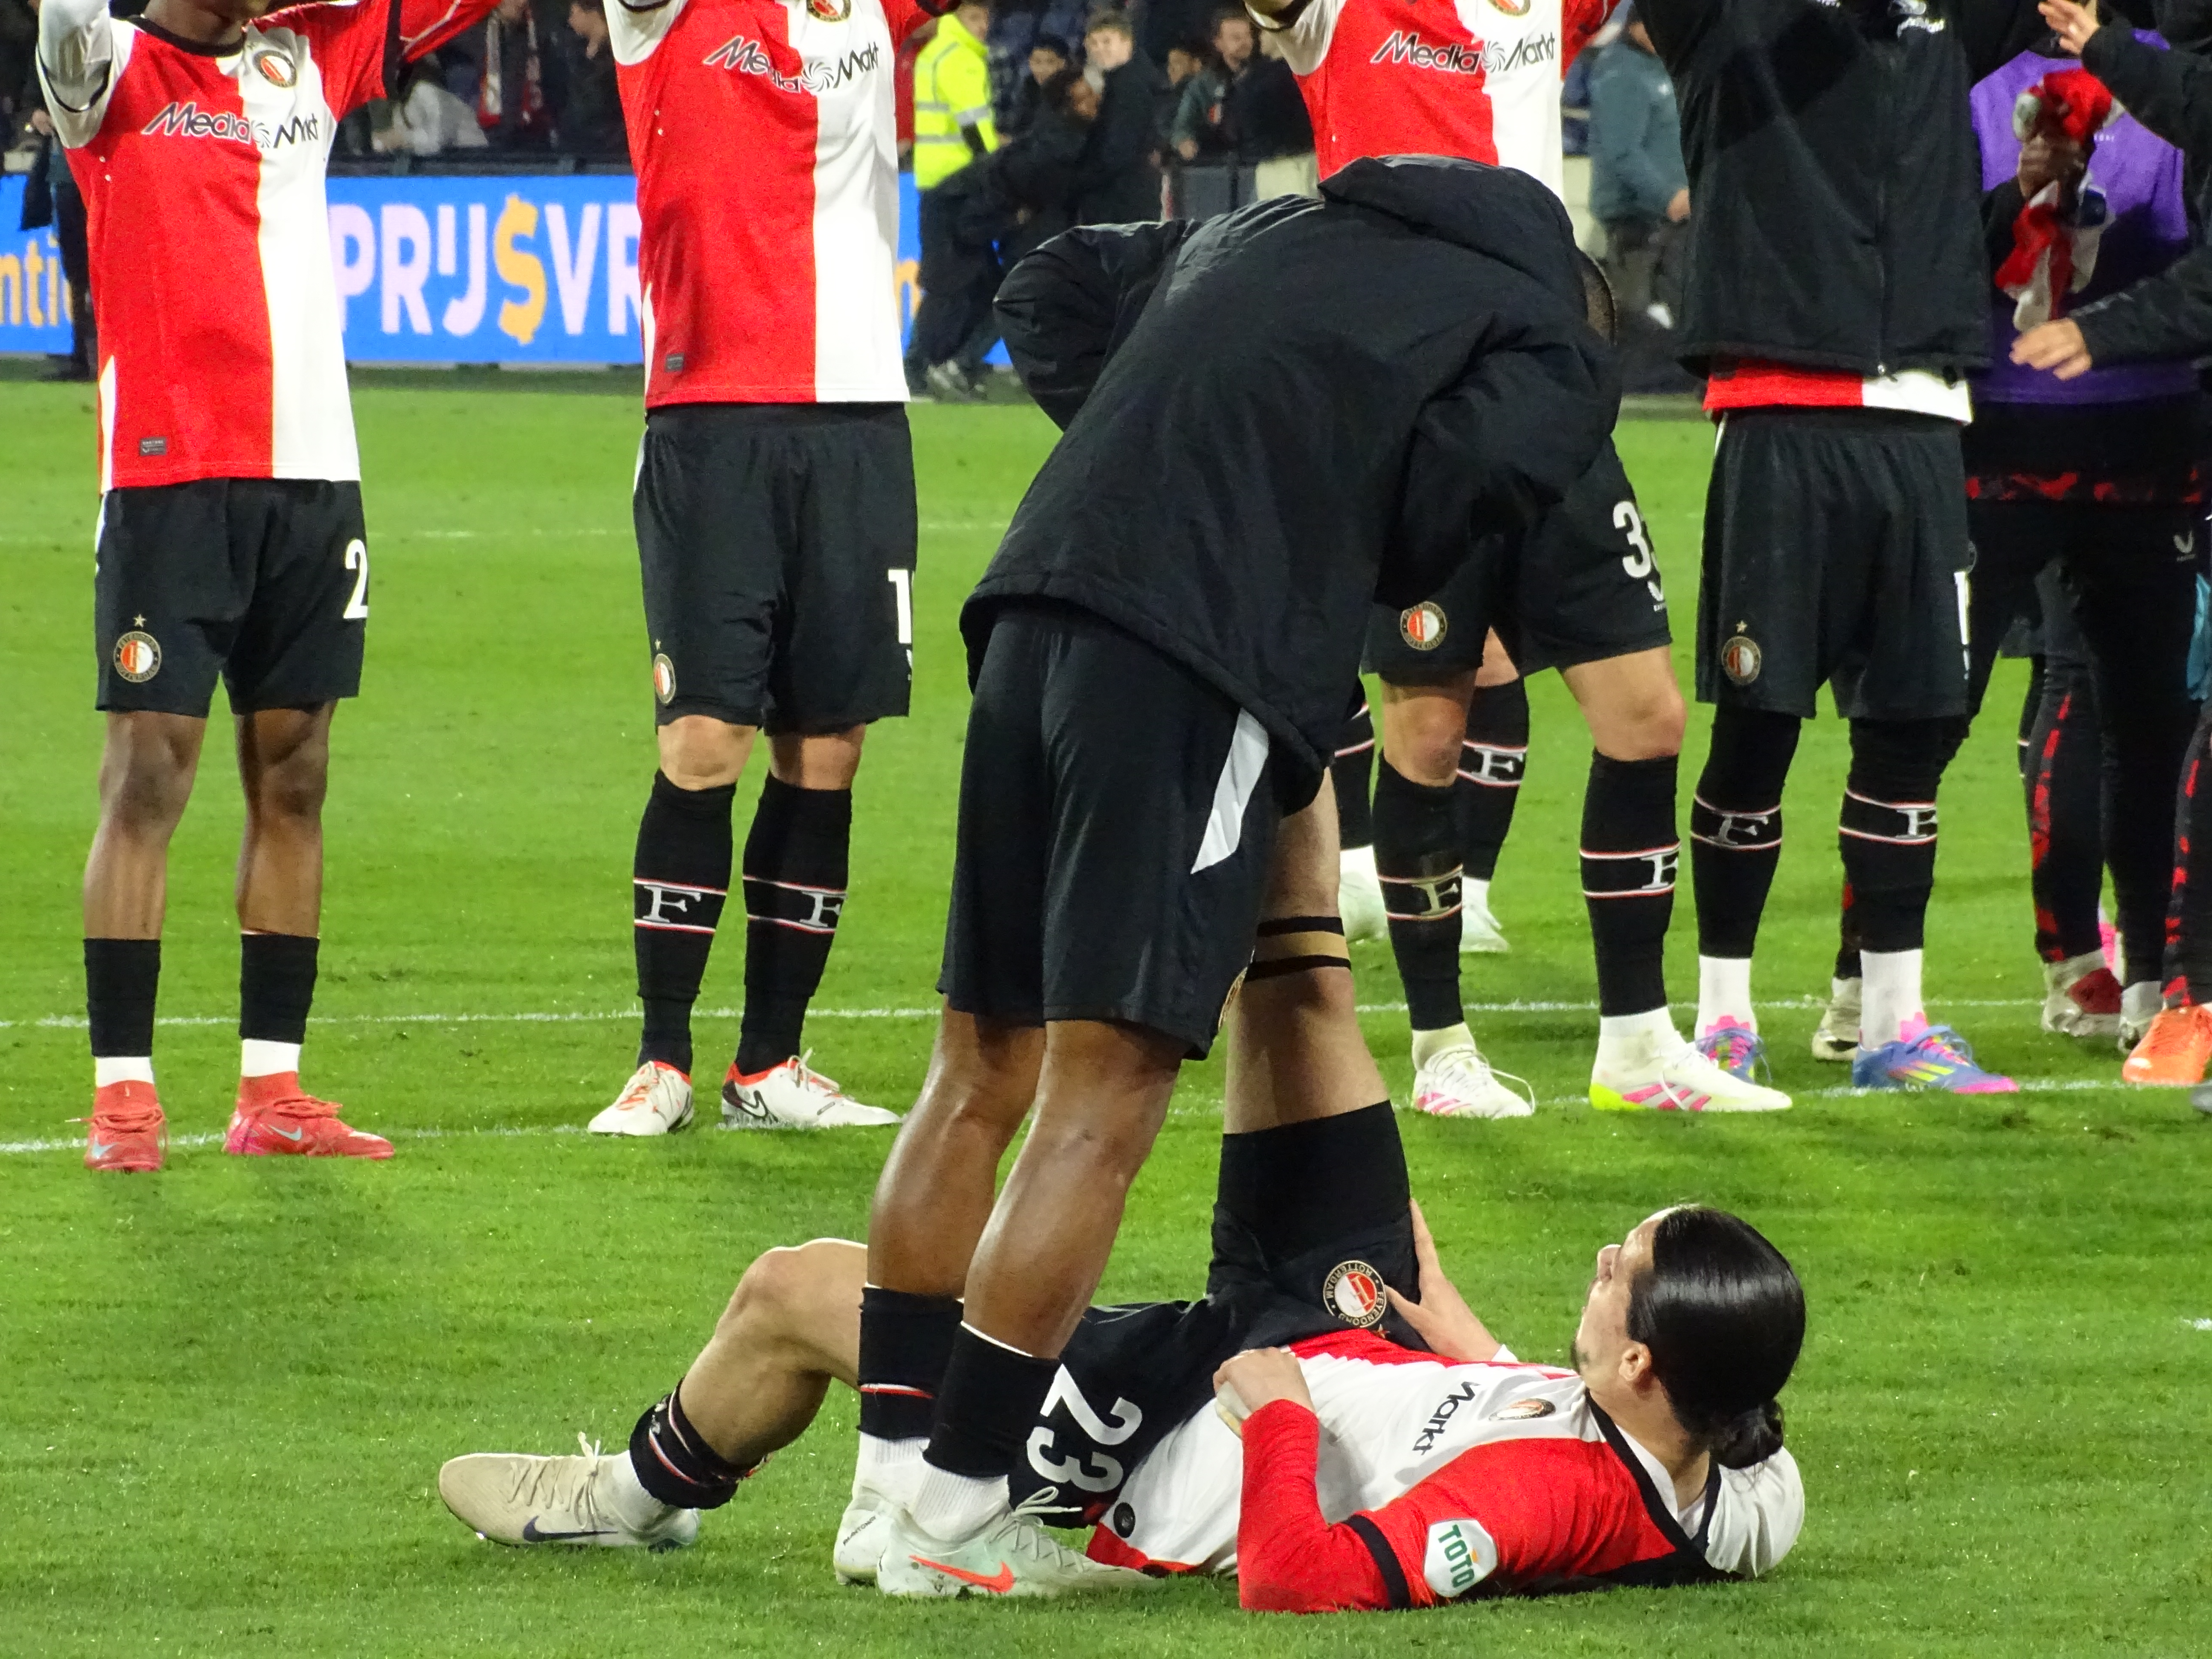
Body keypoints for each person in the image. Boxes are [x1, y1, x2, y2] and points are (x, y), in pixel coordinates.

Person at [845, 154, 1624, 1597]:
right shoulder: (1539, 332)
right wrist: (1296, 530)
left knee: (979, 1056)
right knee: (1109, 1089)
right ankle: (954, 1522)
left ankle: (888, 1483)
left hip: (1033, 601)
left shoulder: (1268, 227)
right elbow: (1469, 495)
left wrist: (1171, 447)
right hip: (1192, 655)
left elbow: (1045, 284)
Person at [437, 1179, 1806, 1610]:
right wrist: (1443, 1317)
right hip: (1218, 1361)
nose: (1600, 1259)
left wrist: (1280, 1416)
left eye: (1618, 1271)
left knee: (799, 1291)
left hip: (1143, 1459)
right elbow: (1546, 1422)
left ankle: (624, 1501)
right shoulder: (1710, 1450)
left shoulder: (1547, 1496)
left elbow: (1304, 1582)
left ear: (1643, 1366)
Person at [1252, 0, 1770, 1118]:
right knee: (1429, 726)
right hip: (1418, 417)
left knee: (1648, 716)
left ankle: (1636, 1043)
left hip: (1552, 398)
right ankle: (1442, 1051)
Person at [41, 0, 501, 1174]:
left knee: (295, 774)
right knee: (148, 775)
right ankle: (125, 1099)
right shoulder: (107, 69)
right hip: (170, 479)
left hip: (315, 478)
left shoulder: (311, 50)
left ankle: (271, 1091)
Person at [1639, 0, 2077, 1096]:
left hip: (1924, 412)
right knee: (1758, 723)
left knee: (1911, 728)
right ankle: (1723, 1017)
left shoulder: (1937, 25)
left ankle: (1892, 1023)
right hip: (1777, 405)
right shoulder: (1723, 23)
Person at [583, 0, 951, 1139]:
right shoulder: (670, 14)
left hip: (860, 424)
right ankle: (661, 1059)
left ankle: (770, 1061)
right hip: (714, 422)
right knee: (706, 740)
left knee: (829, 746)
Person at [1817, 27, 2197, 1072]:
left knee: (2151, 724)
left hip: (2147, 436)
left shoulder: (2171, 73)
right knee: (1923, 711)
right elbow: (1904, 243)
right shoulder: (1957, 67)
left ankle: (2146, 984)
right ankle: (1860, 979)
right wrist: (2013, 200)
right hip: (1988, 433)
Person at [2010, 0, 2212, 1087]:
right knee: (2119, 696)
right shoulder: (2042, 69)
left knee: (2106, 693)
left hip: (2130, 409)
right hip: (2081, 412)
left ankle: (2134, 974)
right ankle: (2129, 972)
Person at [908, 0, 1001, 401]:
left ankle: (946, 363)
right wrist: (1000, 172)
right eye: (974, 17)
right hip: (958, 183)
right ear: (956, 19)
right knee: (951, 285)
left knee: (966, 282)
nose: (982, 26)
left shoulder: (934, 53)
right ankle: (921, 365)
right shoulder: (959, 57)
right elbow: (974, 125)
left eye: (985, 18)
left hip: (936, 180)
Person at [1586, 4, 1688, 323]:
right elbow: (1622, 151)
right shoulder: (1621, 73)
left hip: (1672, 223)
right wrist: (1668, 197)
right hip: (1635, 222)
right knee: (1635, 317)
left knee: (1676, 314)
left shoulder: (1662, 65)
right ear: (1639, 25)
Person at [1071, 8, 1162, 221]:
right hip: (1123, 199)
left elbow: (1119, 150)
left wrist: (1079, 180)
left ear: (1127, 42)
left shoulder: (1130, 86)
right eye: (1094, 43)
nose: (1099, 49)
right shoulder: (1120, 81)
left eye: (1107, 41)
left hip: (1123, 202)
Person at [557, 0, 625, 160]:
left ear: (592, 13)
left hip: (611, 148)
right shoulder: (576, 51)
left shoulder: (616, 52)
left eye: (574, 14)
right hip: (578, 144)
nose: (570, 21)